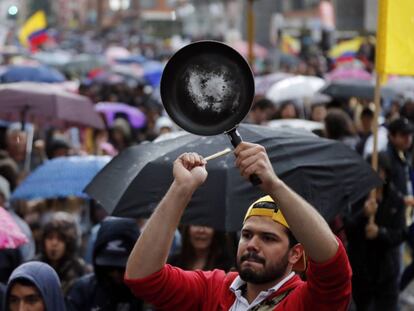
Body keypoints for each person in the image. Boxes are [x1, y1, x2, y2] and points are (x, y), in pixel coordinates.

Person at [124, 142, 352, 310]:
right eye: (247, 234)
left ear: (295, 253)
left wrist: (273, 185)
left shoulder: (308, 302)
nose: (252, 245)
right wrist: (182, 188)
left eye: (268, 238)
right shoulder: (214, 289)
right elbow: (143, 278)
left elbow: (333, 265)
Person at [344, 152, 406, 311]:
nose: (376, 174)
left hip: (385, 271)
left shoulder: (395, 200)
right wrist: (363, 215)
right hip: (360, 269)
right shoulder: (356, 196)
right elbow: (347, 229)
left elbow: (400, 234)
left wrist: (380, 232)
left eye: (380, 170)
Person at [66, 217, 144, 311]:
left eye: (121, 268)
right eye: (109, 267)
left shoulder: (148, 295)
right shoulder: (84, 291)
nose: (115, 273)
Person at [34, 212, 89, 294]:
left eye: (60, 239)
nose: (54, 243)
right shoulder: (35, 266)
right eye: (49, 237)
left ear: (69, 242)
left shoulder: (78, 268)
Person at [168, 225, 235, 272]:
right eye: (196, 224)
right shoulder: (172, 264)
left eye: (208, 225)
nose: (201, 230)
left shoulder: (227, 265)